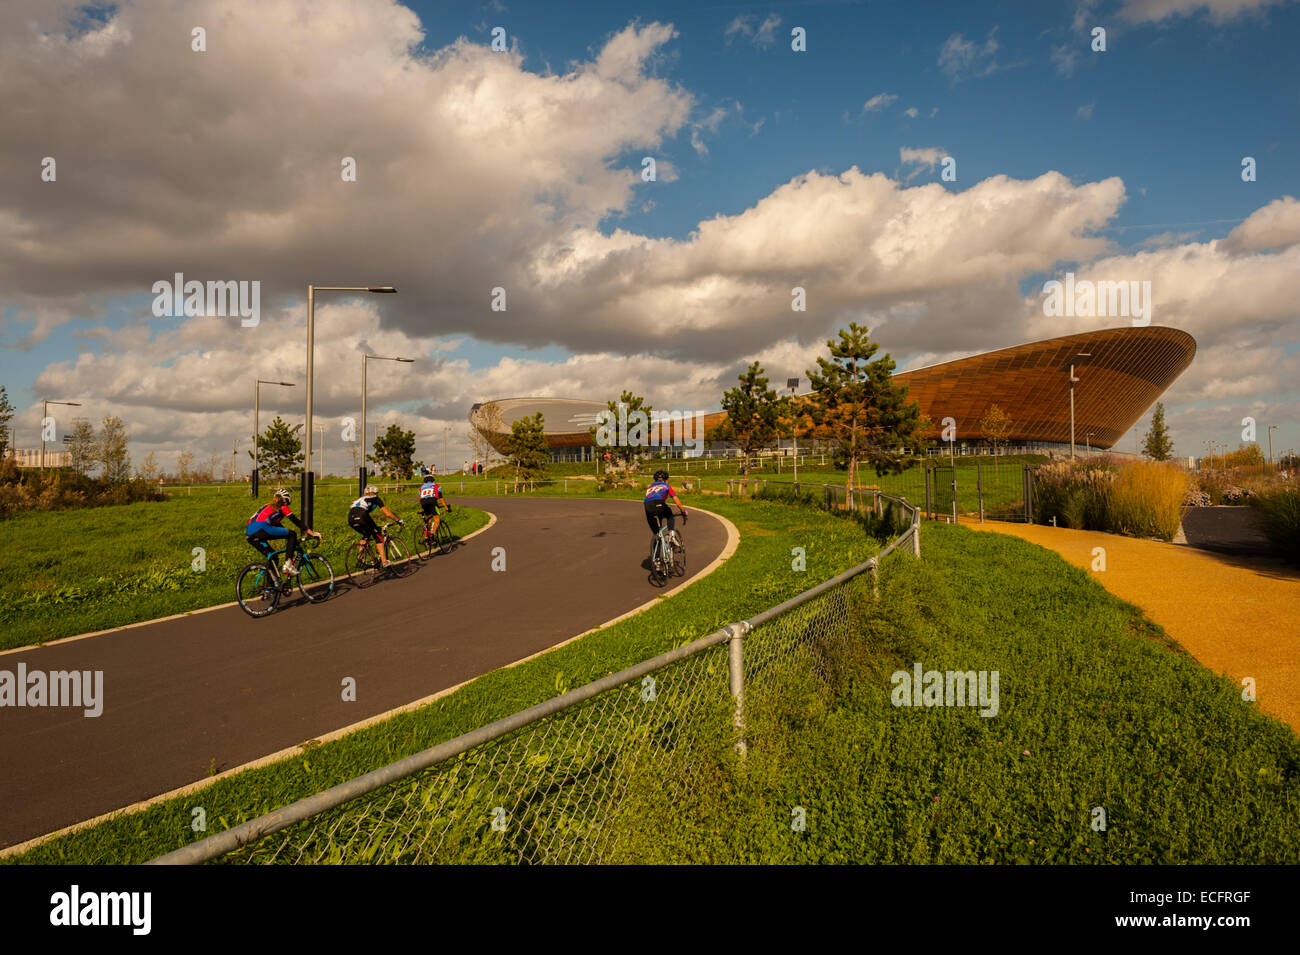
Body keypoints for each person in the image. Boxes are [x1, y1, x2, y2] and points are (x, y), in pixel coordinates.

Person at [246, 487, 320, 577]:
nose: (287, 505)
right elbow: (295, 521)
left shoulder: (267, 507)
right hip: (261, 528)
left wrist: (291, 541)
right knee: (292, 534)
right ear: (285, 501)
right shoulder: (282, 507)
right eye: (288, 503)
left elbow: (281, 530)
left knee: (273, 558)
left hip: (249, 533)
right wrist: (312, 533)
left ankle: (270, 589)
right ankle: (288, 564)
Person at [348, 484, 402, 567]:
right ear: (376, 493)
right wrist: (398, 520)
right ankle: (384, 562)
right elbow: (387, 514)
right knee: (377, 536)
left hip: (350, 518)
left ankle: (360, 558)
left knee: (366, 534)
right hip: (362, 515)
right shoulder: (376, 498)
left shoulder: (359, 499)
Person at [643, 468, 687, 549]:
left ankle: (656, 560)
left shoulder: (650, 487)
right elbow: (677, 502)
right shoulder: (666, 486)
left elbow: (651, 498)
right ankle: (672, 536)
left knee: (657, 535)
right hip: (659, 503)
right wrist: (683, 512)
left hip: (647, 506)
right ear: (666, 480)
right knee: (670, 515)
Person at [419, 473, 453, 540]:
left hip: (423, 503)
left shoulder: (421, 488)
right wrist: (446, 507)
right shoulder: (436, 486)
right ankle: (432, 534)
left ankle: (427, 537)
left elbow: (421, 498)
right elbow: (441, 498)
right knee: (437, 519)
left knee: (429, 518)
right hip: (432, 502)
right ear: (433, 480)